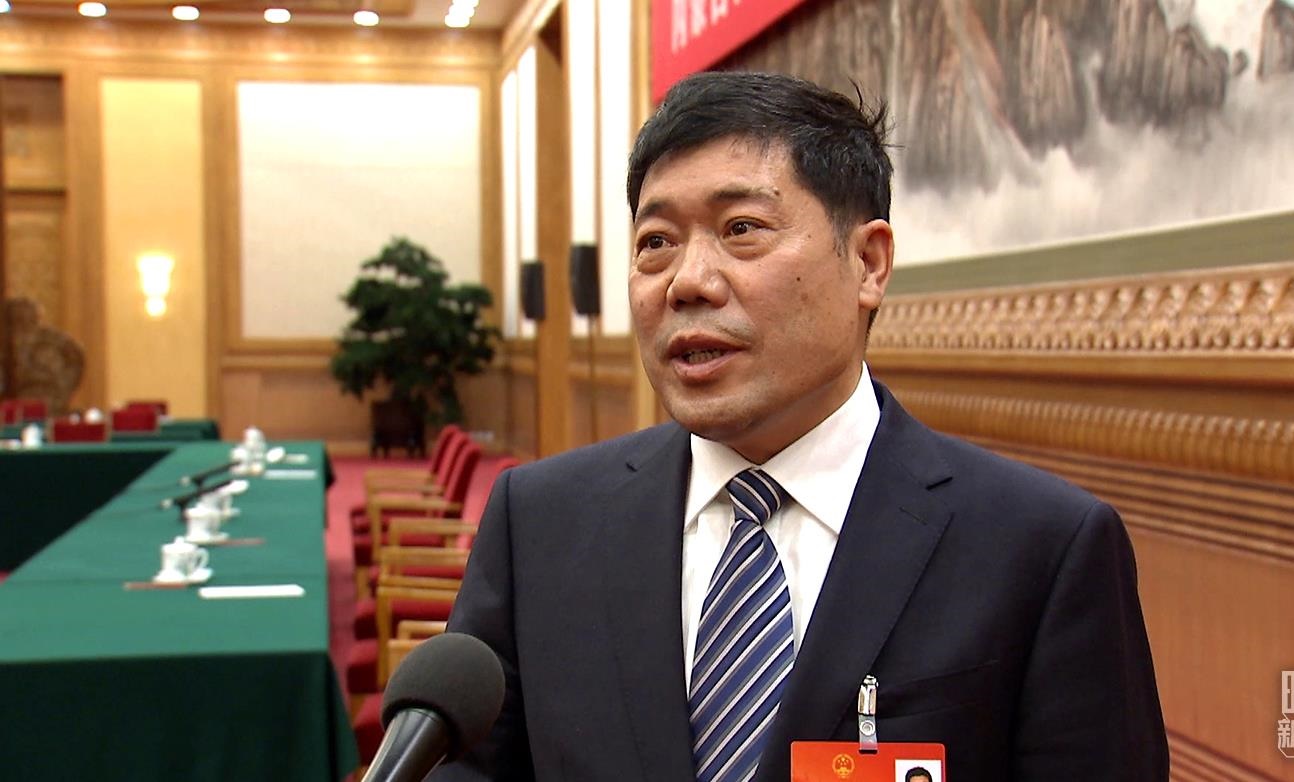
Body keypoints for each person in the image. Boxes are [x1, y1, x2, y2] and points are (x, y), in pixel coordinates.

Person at [435, 71, 1167, 781]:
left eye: (741, 229)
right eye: (655, 242)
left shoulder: (1041, 548)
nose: (687, 281)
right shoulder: (540, 524)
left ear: (868, 263)